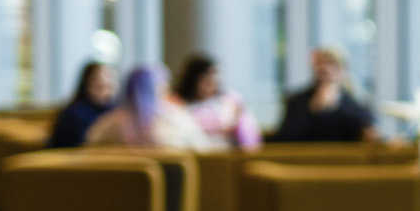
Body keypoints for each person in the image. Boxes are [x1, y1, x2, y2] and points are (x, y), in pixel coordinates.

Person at [86, 65, 219, 150]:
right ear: (162, 89)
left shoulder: (108, 123)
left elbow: (89, 144)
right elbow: (203, 148)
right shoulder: (175, 118)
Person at [269, 46, 376, 143]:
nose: (325, 68)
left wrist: (333, 105)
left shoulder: (356, 102)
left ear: (343, 69)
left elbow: (365, 129)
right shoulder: (296, 101)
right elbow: (285, 138)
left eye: (332, 63)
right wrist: (315, 108)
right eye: (320, 63)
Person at [174, 53, 263, 150]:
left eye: (214, 80)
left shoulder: (230, 102)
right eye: (206, 80)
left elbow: (250, 139)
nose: (211, 85)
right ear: (193, 80)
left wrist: (236, 126)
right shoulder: (178, 104)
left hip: (229, 153)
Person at [47, 62, 117, 148]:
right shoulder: (74, 115)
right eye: (99, 87)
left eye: (109, 87)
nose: (105, 93)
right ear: (87, 84)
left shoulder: (115, 112)